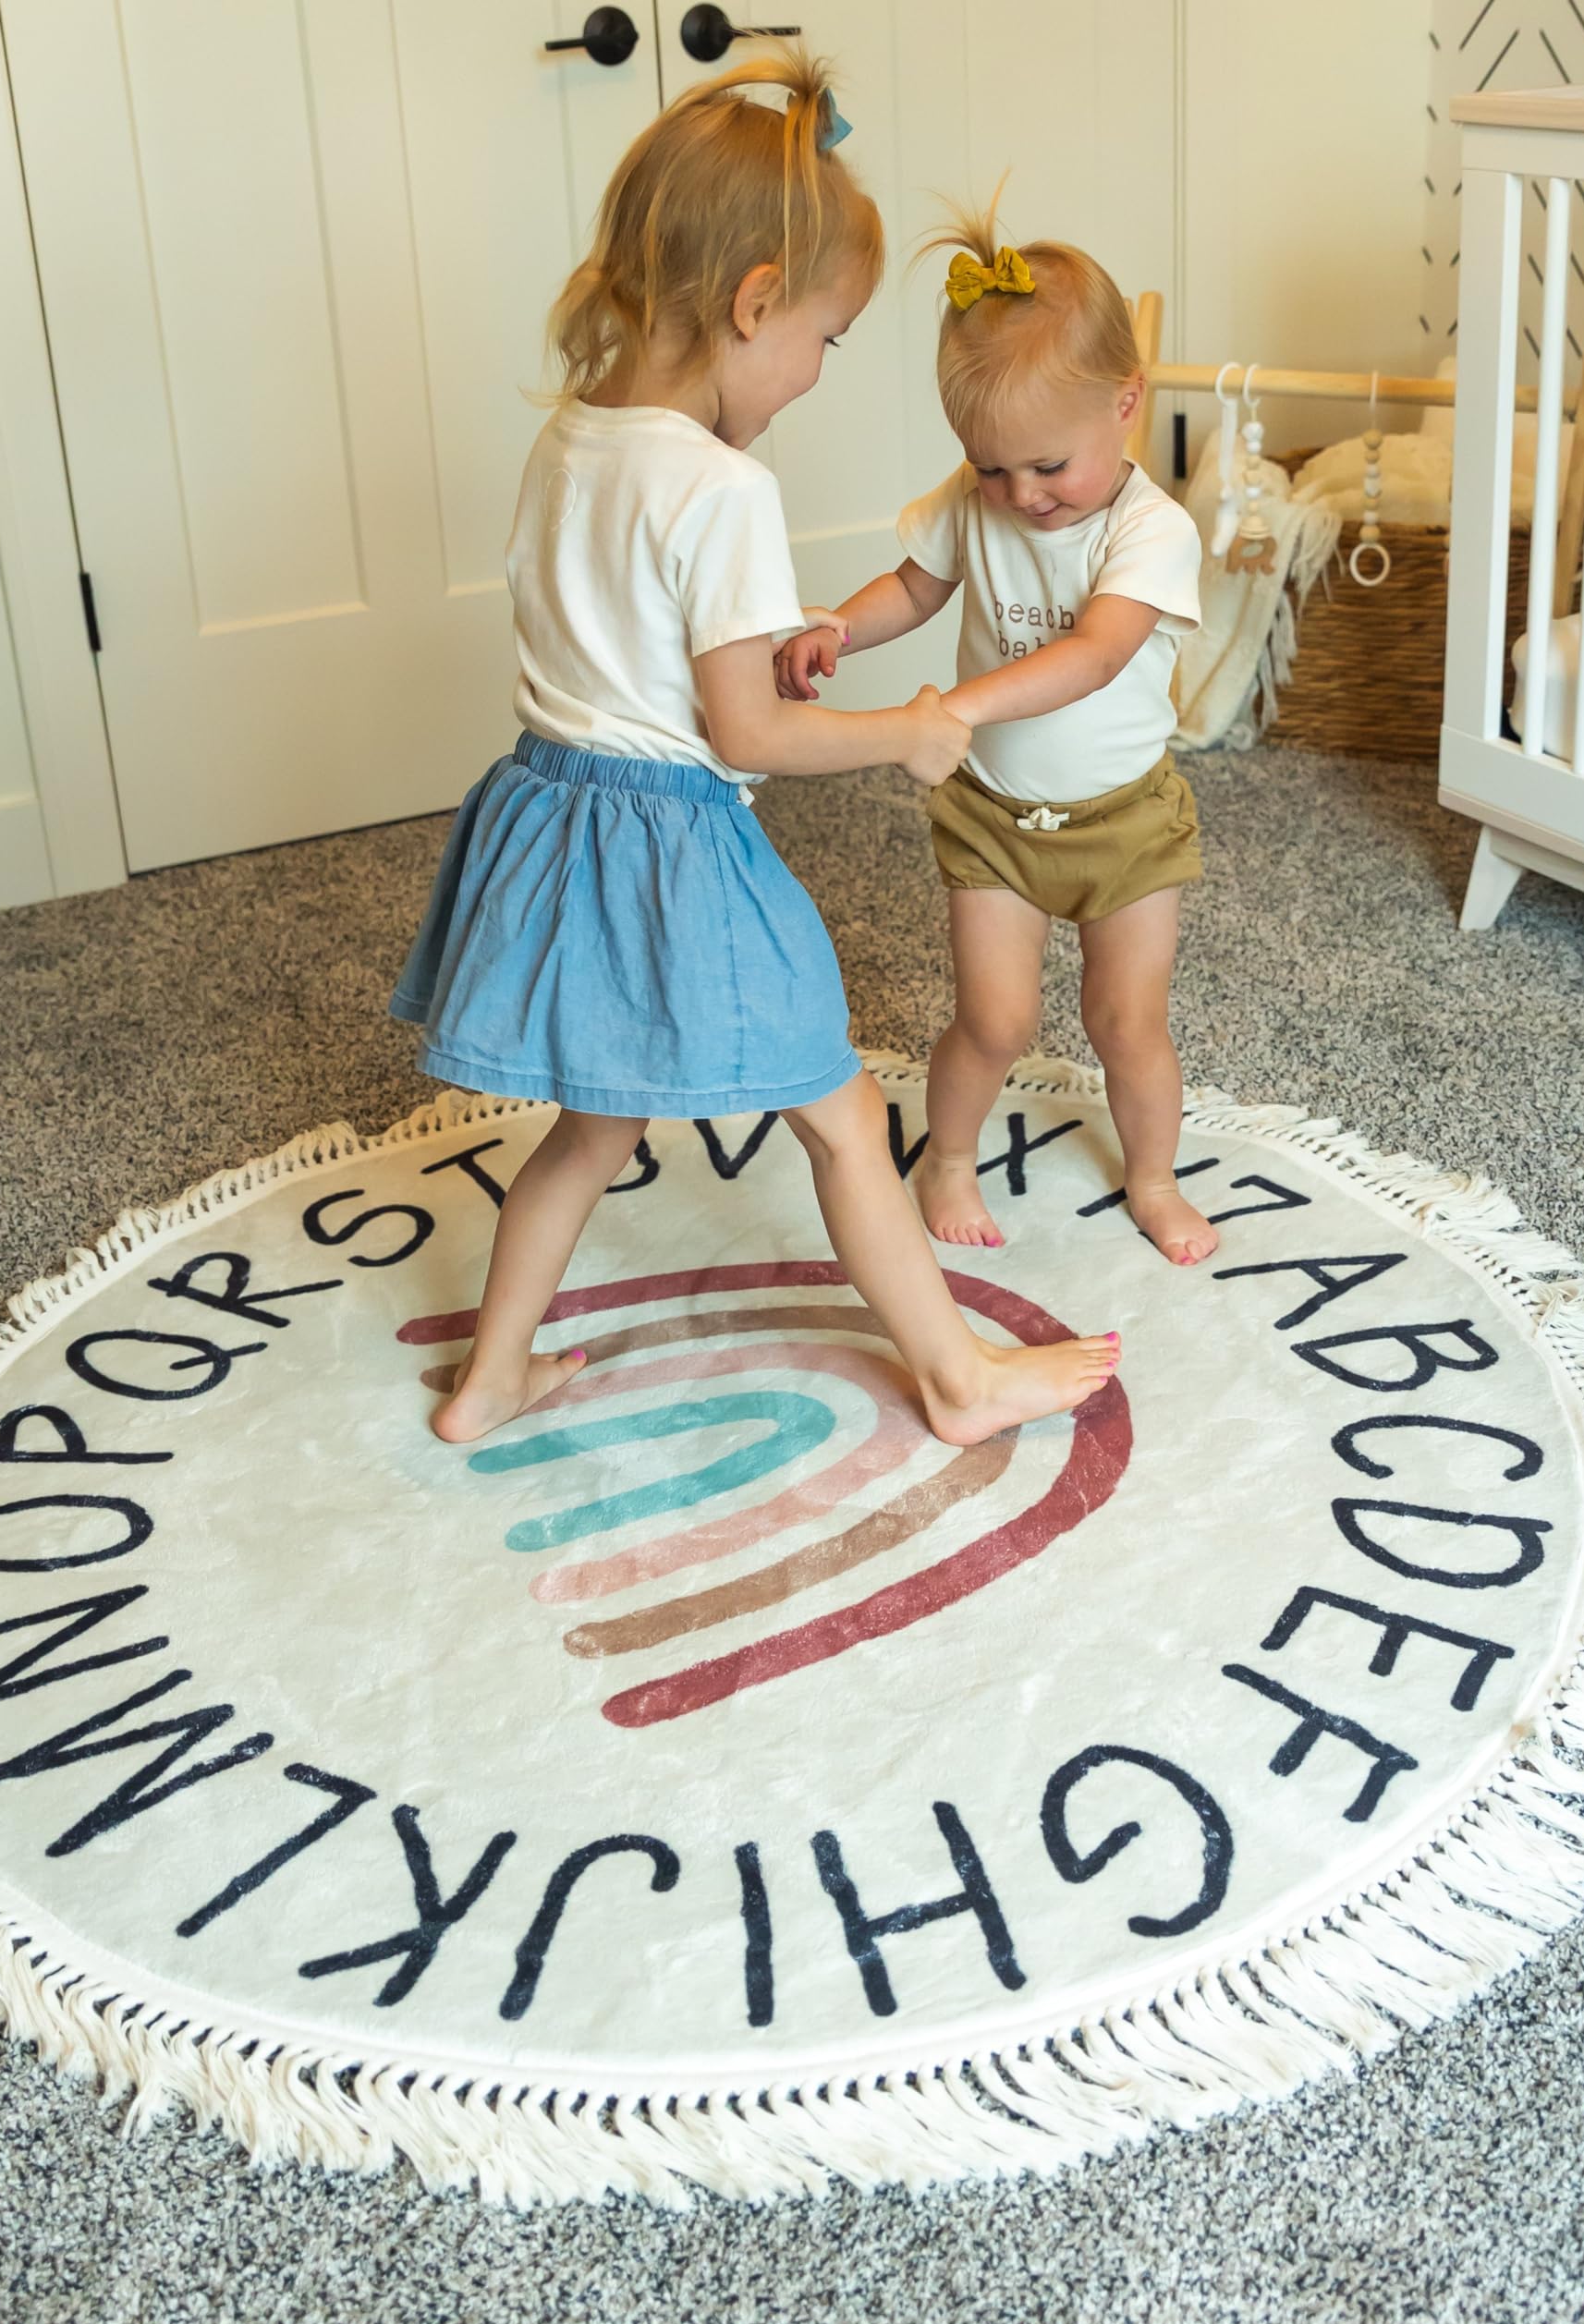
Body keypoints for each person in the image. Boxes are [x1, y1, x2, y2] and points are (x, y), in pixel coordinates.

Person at [390, 61, 1121, 1445]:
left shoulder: (570, 437)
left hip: (551, 817)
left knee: (593, 1124)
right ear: (756, 301)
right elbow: (747, 736)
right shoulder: (723, 485)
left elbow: (631, 642)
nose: (814, 373)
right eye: (826, 340)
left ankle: (489, 1383)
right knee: (843, 1118)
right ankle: (957, 1383)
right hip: (674, 852)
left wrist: (770, 636)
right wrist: (907, 729)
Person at [776, 198, 1214, 1264]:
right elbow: (916, 587)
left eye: (1047, 467)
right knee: (993, 1021)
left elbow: (1097, 654)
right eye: (989, 467)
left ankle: (1152, 1177)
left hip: (1127, 825)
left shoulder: (1152, 531)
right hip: (995, 822)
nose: (1020, 496)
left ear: (1125, 404)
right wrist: (840, 622)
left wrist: (960, 705)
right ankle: (948, 1160)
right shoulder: (980, 500)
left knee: (1126, 1024)